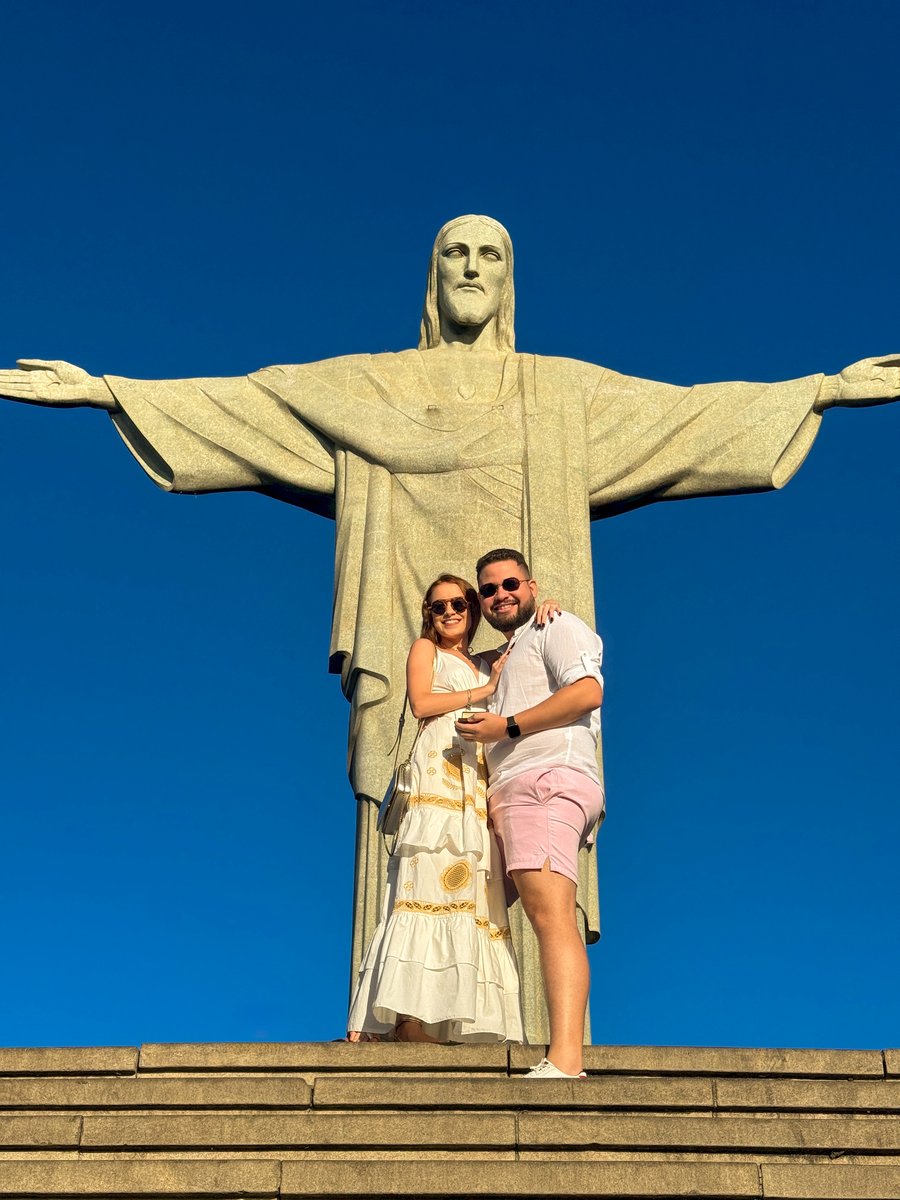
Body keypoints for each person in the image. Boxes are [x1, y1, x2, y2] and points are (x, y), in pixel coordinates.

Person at [2, 214, 898, 1039]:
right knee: (415, 839)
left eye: (490, 256)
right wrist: (109, 393)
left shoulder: (560, 395)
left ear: (511, 282)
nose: (472, 269)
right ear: (432, 278)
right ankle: (402, 1032)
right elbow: (254, 404)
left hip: (528, 714)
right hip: (418, 694)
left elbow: (686, 413)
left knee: (527, 861)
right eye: (455, 255)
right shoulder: (370, 387)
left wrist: (815, 392)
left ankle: (543, 1045)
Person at [347, 573, 558, 1043]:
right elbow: (422, 703)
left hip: (474, 783)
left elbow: (528, 641)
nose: (449, 612)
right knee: (422, 880)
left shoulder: (484, 661)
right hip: (438, 774)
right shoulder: (428, 651)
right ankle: (408, 1018)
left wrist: (548, 609)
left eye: (459, 603)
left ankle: (449, 1017)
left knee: (467, 893)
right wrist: (484, 692)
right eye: (438, 606)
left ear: (473, 609)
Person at [458, 549, 605, 1078]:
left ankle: (566, 1058)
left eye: (511, 584)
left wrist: (510, 726)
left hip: (543, 781)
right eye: (490, 589)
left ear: (532, 586)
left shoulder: (556, 625)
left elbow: (588, 691)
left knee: (551, 916)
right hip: (512, 792)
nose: (502, 594)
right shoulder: (506, 653)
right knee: (469, 905)